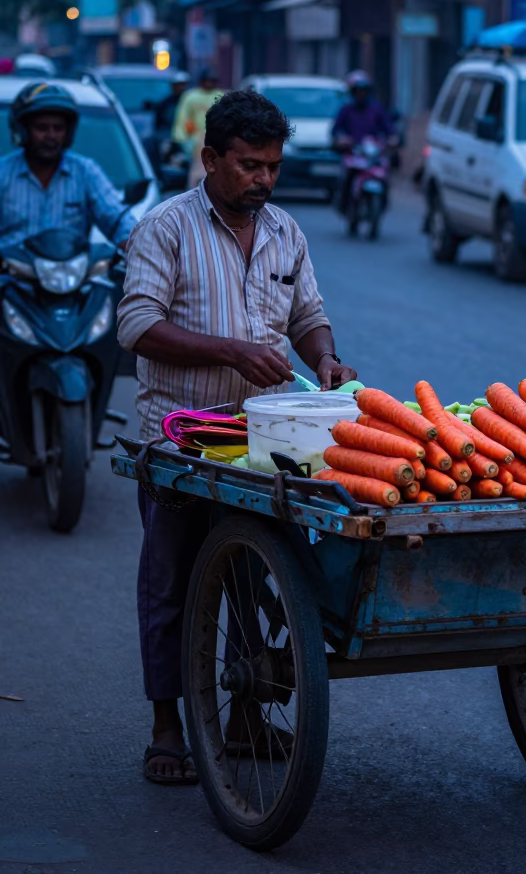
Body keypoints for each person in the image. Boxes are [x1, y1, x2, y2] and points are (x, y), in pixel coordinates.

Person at [117, 87, 357, 785]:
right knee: (172, 584)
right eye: (249, 166)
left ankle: (249, 714)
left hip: (266, 440)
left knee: (260, 580)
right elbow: (136, 327)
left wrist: (325, 360)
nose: (263, 180)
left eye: (272, 167)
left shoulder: (285, 230)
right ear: (211, 158)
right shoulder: (166, 228)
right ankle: (168, 728)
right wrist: (228, 351)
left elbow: (308, 312)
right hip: (180, 437)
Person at [0, 81, 136, 256]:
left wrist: (138, 247)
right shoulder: (3, 173)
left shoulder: (85, 171)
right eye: (42, 128)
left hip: (73, 278)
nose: (51, 136)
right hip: (10, 278)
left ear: (68, 132)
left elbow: (118, 220)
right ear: (23, 130)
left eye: (58, 128)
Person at [331, 70, 394, 213]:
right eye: (358, 91)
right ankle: (345, 204)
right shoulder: (346, 110)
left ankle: (383, 204)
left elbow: (388, 128)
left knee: (384, 173)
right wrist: (342, 139)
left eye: (364, 91)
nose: (361, 94)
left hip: (372, 152)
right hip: (354, 152)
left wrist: (392, 139)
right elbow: (336, 130)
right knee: (348, 176)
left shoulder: (376, 110)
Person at [171, 69, 222, 187]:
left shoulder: (219, 95)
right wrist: (181, 137)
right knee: (197, 169)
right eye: (207, 80)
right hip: (194, 139)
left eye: (211, 81)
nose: (209, 83)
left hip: (215, 138)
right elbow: (183, 117)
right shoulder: (191, 96)